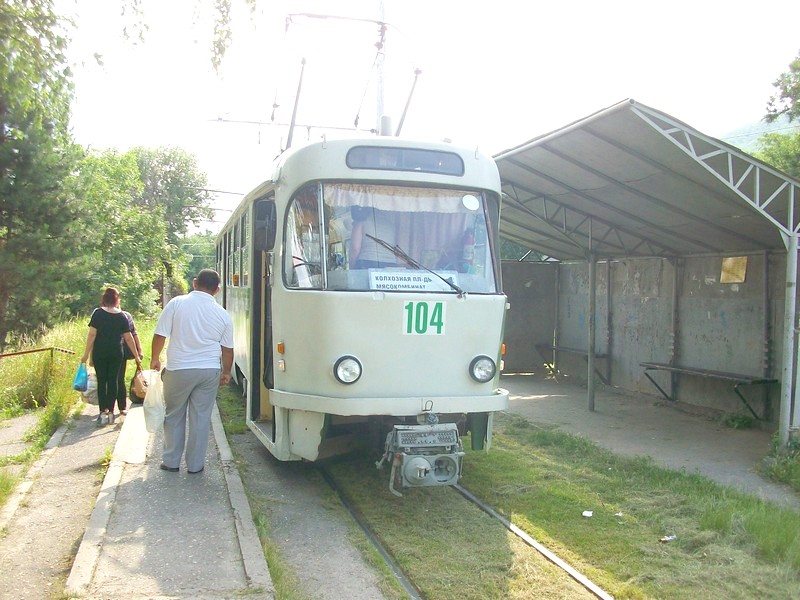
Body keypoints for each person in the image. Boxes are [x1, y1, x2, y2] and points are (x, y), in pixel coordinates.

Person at [150, 269, 234, 474]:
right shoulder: (223, 314)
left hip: (178, 369)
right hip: (208, 371)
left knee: (174, 414)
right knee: (201, 418)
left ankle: (171, 462)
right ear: (217, 290)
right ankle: (195, 465)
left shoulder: (176, 304)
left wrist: (155, 358)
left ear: (195, 283)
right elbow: (227, 349)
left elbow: (160, 334)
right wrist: (226, 372)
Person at [80, 288, 140, 425]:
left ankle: (103, 413)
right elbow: (129, 338)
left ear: (104, 299)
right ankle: (112, 413)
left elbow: (92, 335)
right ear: (117, 300)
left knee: (102, 381)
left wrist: (86, 354)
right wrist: (136, 356)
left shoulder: (98, 313)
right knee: (113, 381)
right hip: (116, 352)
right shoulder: (122, 316)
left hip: (100, 352)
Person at [117, 309, 144, 412]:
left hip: (121, 351)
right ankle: (109, 408)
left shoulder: (126, 315)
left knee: (119, 379)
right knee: (116, 379)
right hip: (108, 352)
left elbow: (133, 333)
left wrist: (139, 350)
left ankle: (121, 407)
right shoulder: (100, 313)